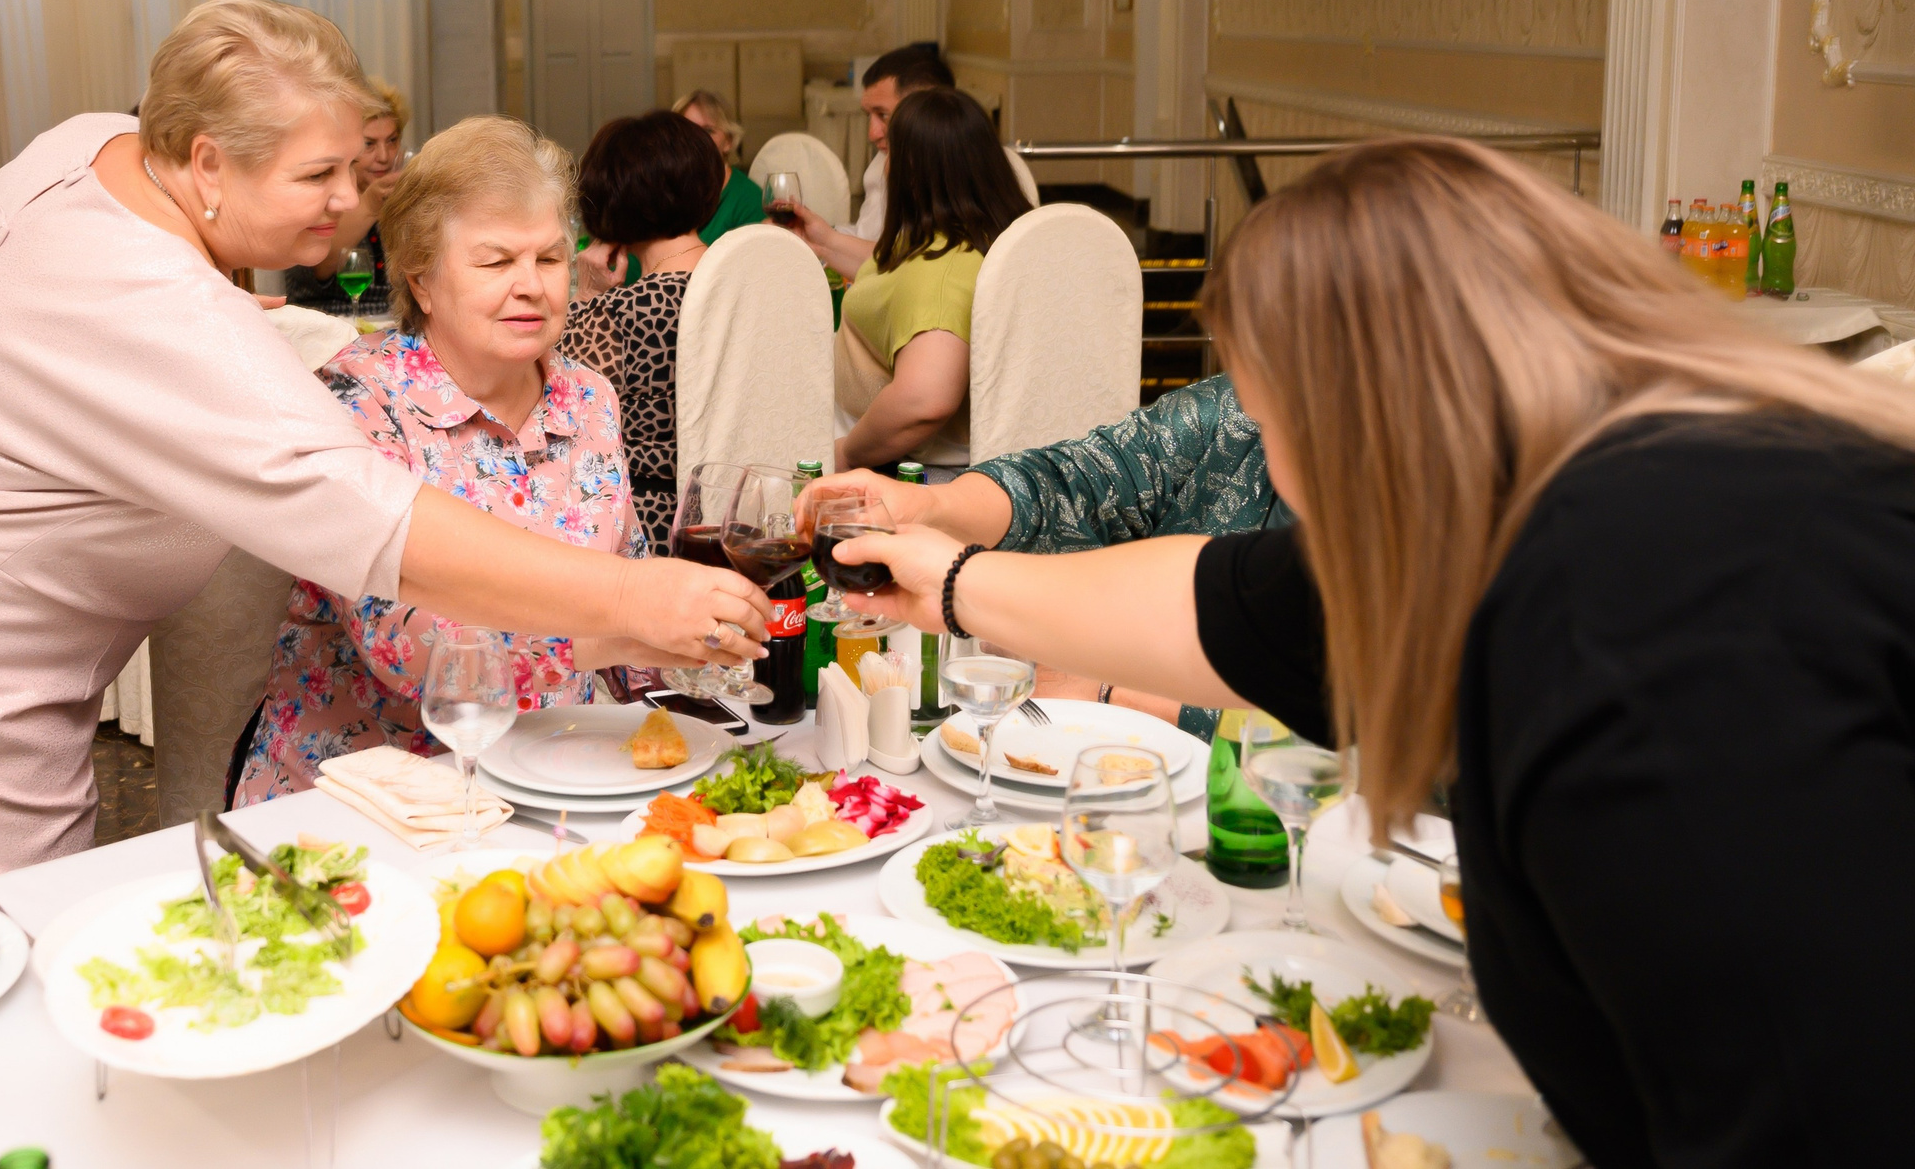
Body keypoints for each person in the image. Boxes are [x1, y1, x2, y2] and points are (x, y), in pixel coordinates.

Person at [825, 136, 1915, 1169]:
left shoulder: (1628, 628)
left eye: (1264, 408)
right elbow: (1219, 599)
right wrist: (953, 582)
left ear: (1365, 412)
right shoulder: (1544, 500)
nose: (1259, 445)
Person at [0, 0, 766, 886]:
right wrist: (635, 597)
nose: (351, 199)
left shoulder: (97, 142)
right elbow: (380, 527)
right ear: (207, 160)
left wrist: (203, 289)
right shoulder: (168, 319)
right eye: (316, 175)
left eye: (357, 165)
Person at [237, 117, 647, 800]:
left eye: (549, 259)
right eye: (495, 261)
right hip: (367, 803)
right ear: (421, 279)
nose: (532, 285)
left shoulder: (589, 397)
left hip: (555, 780)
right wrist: (638, 625)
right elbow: (416, 655)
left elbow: (626, 579)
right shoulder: (359, 398)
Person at [816, 374, 1285, 741]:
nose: (1255, 401)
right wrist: (935, 507)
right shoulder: (1235, 412)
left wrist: (1103, 691)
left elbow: (1316, 711)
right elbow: (1082, 480)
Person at [834, 86, 1030, 473]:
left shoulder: (941, 270)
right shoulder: (968, 234)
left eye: (889, 153)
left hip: (907, 466)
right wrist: (823, 240)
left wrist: (846, 454)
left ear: (912, 169)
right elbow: (893, 277)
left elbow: (925, 401)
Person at [560, 111, 727, 550]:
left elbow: (557, 412)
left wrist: (587, 296)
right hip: (745, 515)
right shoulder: (748, 288)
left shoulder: (619, 312)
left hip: (650, 531)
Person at [766, 42, 953, 280]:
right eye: (869, 116)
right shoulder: (883, 162)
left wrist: (826, 244)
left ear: (926, 111)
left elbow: (906, 269)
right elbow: (872, 240)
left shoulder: (964, 179)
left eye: (883, 115)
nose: (872, 134)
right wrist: (819, 238)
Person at [287, 79, 406, 311]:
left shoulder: (403, 200)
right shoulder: (320, 193)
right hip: (332, 329)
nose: (384, 156)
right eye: (369, 144)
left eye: (392, 141)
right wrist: (371, 204)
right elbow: (318, 267)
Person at [672, 88, 767, 247]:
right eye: (688, 130)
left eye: (708, 131)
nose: (696, 139)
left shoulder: (748, 201)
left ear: (728, 141)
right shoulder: (666, 189)